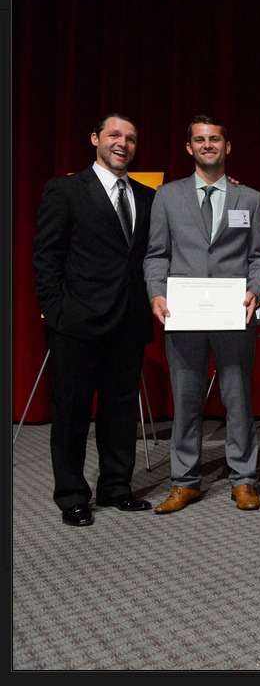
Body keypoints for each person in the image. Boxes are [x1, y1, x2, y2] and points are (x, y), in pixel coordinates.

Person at [32, 113, 156, 527]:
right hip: (76, 324)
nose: (123, 143)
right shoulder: (65, 190)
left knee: (120, 412)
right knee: (71, 412)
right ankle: (71, 496)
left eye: (131, 138)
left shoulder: (146, 195)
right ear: (95, 139)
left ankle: (116, 487)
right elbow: (46, 256)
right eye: (115, 135)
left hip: (129, 321)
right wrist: (56, 310)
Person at [144, 115, 260, 513]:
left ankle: (244, 479)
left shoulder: (249, 198)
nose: (207, 146)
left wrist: (255, 290)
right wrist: (156, 294)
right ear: (189, 148)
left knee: (238, 399)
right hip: (183, 315)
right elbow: (156, 255)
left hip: (234, 314)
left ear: (227, 146)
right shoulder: (166, 196)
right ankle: (185, 482)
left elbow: (258, 257)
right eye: (199, 140)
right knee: (185, 400)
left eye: (214, 139)